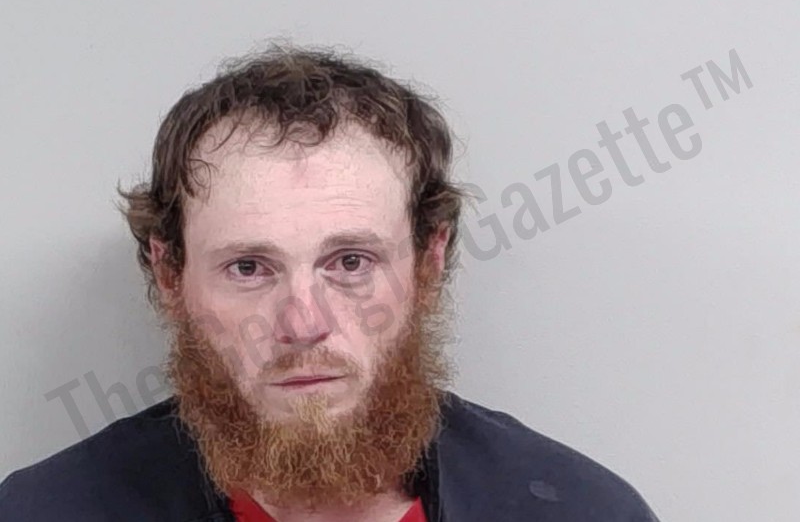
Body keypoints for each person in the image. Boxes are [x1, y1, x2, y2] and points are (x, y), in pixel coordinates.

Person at [0, 44, 660, 521]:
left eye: (349, 263)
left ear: (428, 263)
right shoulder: (43, 511)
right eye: (248, 267)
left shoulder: (583, 510)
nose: (303, 323)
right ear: (170, 275)